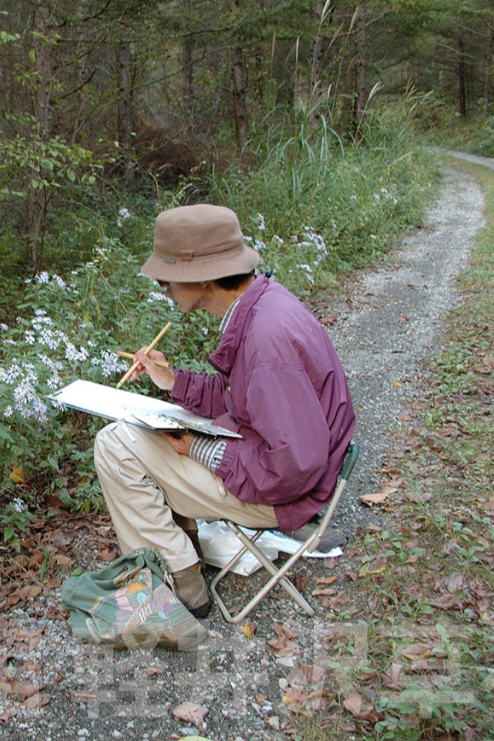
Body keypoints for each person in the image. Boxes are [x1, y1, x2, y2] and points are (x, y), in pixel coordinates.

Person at [94, 203, 355, 618]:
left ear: (201, 279)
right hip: (286, 470)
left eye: (166, 279)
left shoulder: (266, 341)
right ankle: (181, 548)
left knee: (113, 443)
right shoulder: (265, 305)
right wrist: (172, 382)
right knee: (135, 433)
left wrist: (198, 448)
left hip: (286, 492)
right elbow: (247, 399)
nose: (163, 288)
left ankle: (182, 575)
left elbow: (292, 466)